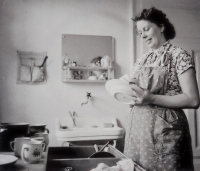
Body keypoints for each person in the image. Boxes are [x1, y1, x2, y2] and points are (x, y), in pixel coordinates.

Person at [122, 7, 200, 171]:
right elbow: (136, 91)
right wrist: (128, 93)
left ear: (161, 27)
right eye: (139, 32)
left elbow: (193, 99)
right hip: (139, 132)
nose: (142, 35)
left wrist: (152, 98)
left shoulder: (179, 56)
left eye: (146, 29)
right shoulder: (142, 60)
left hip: (166, 134)